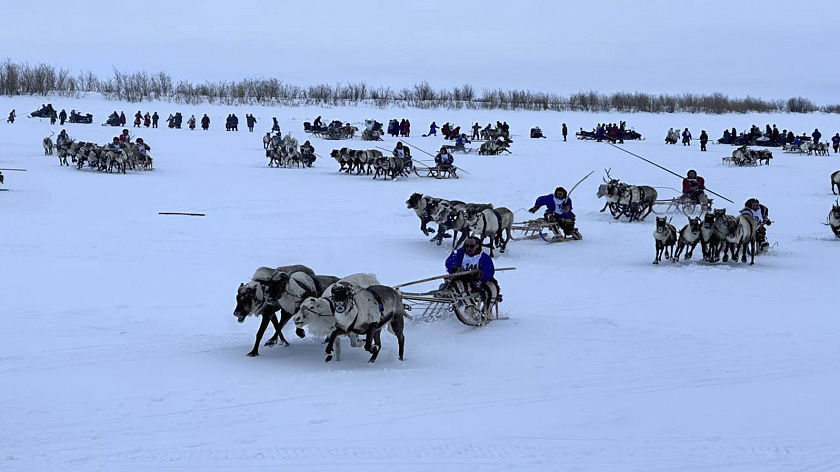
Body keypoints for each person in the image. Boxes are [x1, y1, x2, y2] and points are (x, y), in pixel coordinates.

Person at [444, 236, 497, 307]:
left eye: (471, 246)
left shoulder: (484, 257)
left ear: (477, 246)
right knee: (460, 285)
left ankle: (487, 311)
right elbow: (449, 262)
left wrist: (479, 274)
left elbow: (489, 272)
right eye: (466, 246)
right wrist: (454, 269)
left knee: (492, 287)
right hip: (462, 279)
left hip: (479, 281)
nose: (468, 248)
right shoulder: (459, 253)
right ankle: (470, 307)